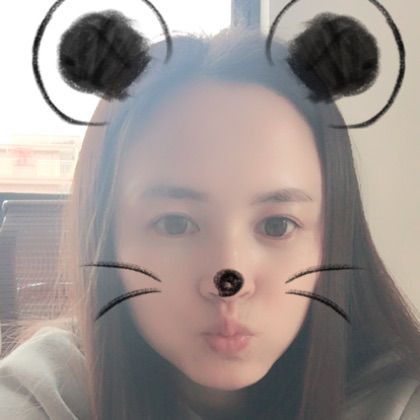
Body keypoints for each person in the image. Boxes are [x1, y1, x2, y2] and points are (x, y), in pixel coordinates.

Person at [1, 24, 420, 420]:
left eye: (277, 225)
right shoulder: (46, 391)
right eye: (174, 224)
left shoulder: (396, 397)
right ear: (107, 236)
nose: (228, 280)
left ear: (333, 239)